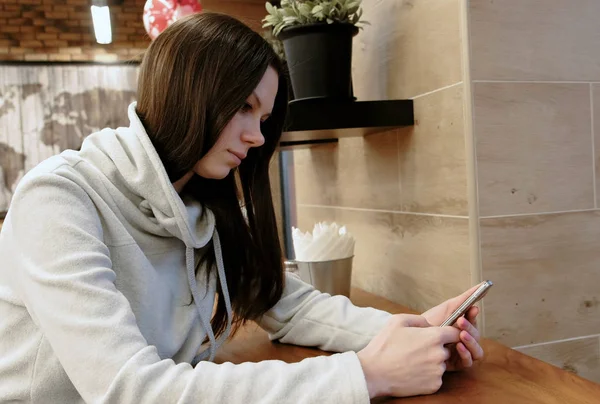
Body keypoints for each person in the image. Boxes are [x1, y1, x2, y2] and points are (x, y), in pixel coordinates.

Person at [0, 12, 483, 403]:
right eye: (244, 108)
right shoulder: (58, 200)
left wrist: (419, 332)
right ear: (189, 94)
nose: (256, 137)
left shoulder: (201, 206)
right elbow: (131, 389)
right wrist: (367, 375)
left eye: (265, 117)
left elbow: (287, 305)